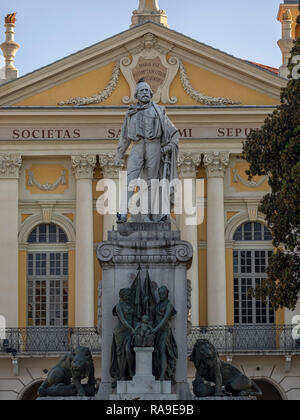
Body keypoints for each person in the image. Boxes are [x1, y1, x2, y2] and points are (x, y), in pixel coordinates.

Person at [115, 79, 179, 222]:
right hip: (137, 146)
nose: (144, 93)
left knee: (151, 183)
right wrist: (119, 155)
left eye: (147, 90)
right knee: (130, 179)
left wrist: (170, 146)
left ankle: (147, 215)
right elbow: (125, 137)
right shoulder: (131, 113)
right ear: (136, 96)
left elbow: (173, 132)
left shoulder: (159, 111)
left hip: (154, 146)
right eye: (141, 91)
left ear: (151, 94)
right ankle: (123, 213)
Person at [152, 286, 178, 382]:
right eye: (159, 294)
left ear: (167, 293)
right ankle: (158, 372)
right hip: (157, 332)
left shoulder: (169, 306)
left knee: (163, 351)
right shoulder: (158, 305)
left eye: (162, 294)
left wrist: (155, 329)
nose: (160, 296)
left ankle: (163, 374)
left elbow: (164, 319)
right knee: (157, 353)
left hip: (164, 331)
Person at [110, 288, 136, 382]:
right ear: (122, 296)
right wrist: (132, 329)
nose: (129, 297)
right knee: (120, 354)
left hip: (129, 332)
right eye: (127, 295)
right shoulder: (119, 307)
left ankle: (130, 370)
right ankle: (121, 374)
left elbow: (134, 319)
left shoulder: (131, 306)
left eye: (129, 295)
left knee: (128, 350)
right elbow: (123, 320)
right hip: (120, 332)